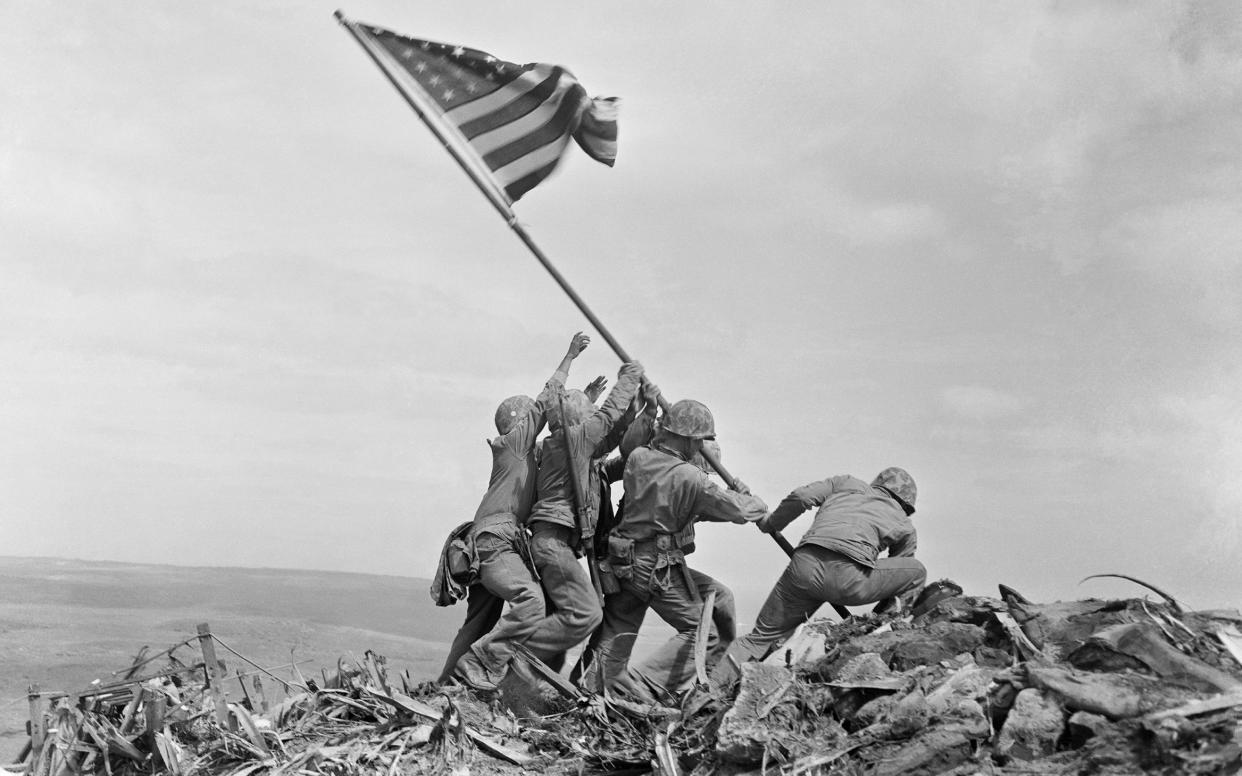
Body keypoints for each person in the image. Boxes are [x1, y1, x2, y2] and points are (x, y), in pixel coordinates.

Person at [443, 332, 590, 691]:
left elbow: (564, 436)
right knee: (530, 600)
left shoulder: (521, 456)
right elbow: (546, 402)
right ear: (521, 423)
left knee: (478, 622)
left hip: (486, 542)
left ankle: (445, 686)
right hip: (495, 542)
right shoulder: (514, 444)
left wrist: (587, 403)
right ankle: (481, 666)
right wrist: (569, 357)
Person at [598, 399, 768, 700]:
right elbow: (739, 511)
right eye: (699, 440)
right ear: (690, 439)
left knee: (619, 628)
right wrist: (752, 501)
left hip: (624, 559)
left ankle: (600, 687)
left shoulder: (639, 458)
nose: (700, 446)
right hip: (655, 566)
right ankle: (642, 686)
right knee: (702, 633)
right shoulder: (690, 478)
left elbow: (697, 506)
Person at [717, 467, 926, 681]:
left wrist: (772, 523)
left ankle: (711, 689)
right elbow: (898, 574)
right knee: (917, 571)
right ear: (906, 503)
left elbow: (802, 496)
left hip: (803, 569)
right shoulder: (904, 524)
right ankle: (884, 631)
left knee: (758, 638)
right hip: (849, 580)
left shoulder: (846, 483)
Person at [519, 361, 645, 669]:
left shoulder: (566, 444)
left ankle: (525, 682)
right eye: (590, 411)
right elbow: (607, 417)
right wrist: (629, 378)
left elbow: (610, 436)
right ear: (579, 418)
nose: (595, 415)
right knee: (586, 613)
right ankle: (513, 656)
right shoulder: (573, 439)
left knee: (558, 633)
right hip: (554, 544)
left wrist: (636, 409)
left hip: (553, 543)